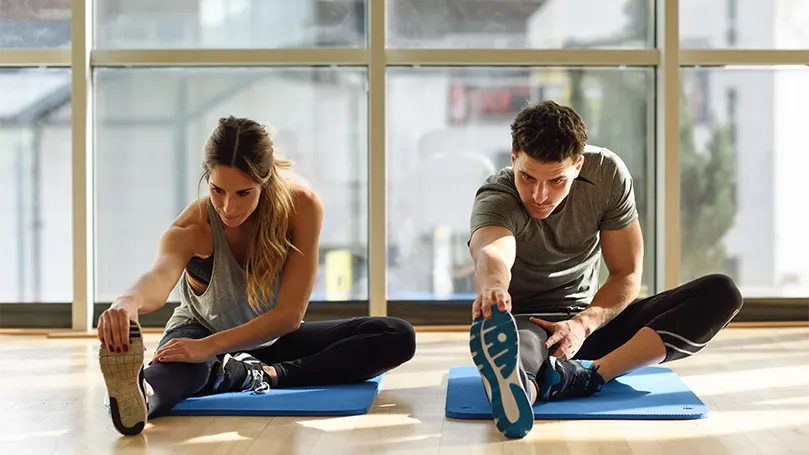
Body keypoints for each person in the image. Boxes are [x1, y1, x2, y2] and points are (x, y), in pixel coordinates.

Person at [97, 116, 416, 436]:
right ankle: (143, 398)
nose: (227, 207)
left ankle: (261, 374)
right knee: (183, 371)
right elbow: (159, 277)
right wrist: (127, 302)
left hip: (271, 337)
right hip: (200, 332)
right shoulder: (194, 226)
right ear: (207, 178)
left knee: (396, 335)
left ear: (266, 180)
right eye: (217, 190)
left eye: (243, 193)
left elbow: (289, 316)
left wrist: (212, 347)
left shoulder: (301, 207)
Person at [467, 101, 743, 439]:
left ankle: (591, 374)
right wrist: (493, 289)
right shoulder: (497, 195)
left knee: (721, 293)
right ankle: (521, 392)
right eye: (527, 177)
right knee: (517, 355)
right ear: (513, 157)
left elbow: (626, 272)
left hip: (594, 323)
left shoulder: (607, 174)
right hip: (530, 326)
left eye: (556, 180)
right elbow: (493, 252)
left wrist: (582, 325)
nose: (539, 195)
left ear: (578, 165)